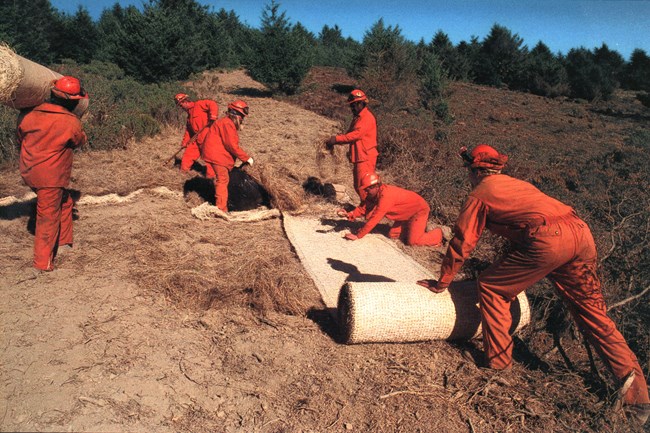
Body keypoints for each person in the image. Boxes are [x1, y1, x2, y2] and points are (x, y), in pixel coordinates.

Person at [416, 144, 650, 423]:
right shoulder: (516, 184)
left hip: (549, 238)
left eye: (469, 170)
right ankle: (638, 401)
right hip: (580, 232)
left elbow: (462, 241)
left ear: (476, 170)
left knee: (492, 287)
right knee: (595, 316)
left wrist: (443, 281)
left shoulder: (480, 193)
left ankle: (499, 365)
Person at [17, 76, 88, 272]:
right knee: (47, 217)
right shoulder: (70, 122)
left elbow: (20, 137)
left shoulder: (28, 115)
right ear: (72, 102)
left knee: (64, 202)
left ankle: (64, 243)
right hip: (50, 177)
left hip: (29, 171)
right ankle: (43, 263)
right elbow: (79, 141)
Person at [340, 172, 443, 246]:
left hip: (419, 211)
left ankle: (439, 234)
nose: (366, 192)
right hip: (405, 213)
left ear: (376, 186)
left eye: (368, 189)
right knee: (393, 234)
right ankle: (410, 227)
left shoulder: (386, 197)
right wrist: (349, 214)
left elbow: (375, 219)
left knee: (413, 242)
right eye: (365, 189)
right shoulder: (375, 193)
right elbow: (364, 207)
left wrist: (358, 235)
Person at [325, 89, 378, 204]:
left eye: (353, 105)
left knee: (364, 186)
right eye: (351, 106)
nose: (351, 108)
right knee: (358, 185)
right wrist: (336, 140)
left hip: (366, 157)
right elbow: (349, 134)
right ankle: (367, 208)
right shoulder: (358, 117)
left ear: (360, 103)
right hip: (361, 156)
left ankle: (369, 211)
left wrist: (336, 139)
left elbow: (355, 135)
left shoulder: (366, 118)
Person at [201, 100, 254, 212]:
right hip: (217, 156)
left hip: (215, 154)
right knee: (222, 180)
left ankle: (216, 200)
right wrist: (246, 158)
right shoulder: (227, 124)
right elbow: (232, 146)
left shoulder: (226, 122)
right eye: (241, 116)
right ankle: (221, 209)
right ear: (235, 114)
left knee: (218, 179)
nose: (242, 119)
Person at [174, 93, 218, 176]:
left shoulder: (199, 104)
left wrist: (213, 115)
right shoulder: (189, 117)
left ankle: (211, 179)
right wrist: (185, 142)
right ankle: (182, 174)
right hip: (197, 139)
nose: (181, 107)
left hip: (207, 137)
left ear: (185, 101)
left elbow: (212, 104)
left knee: (210, 159)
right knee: (187, 156)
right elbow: (188, 131)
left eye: (181, 105)